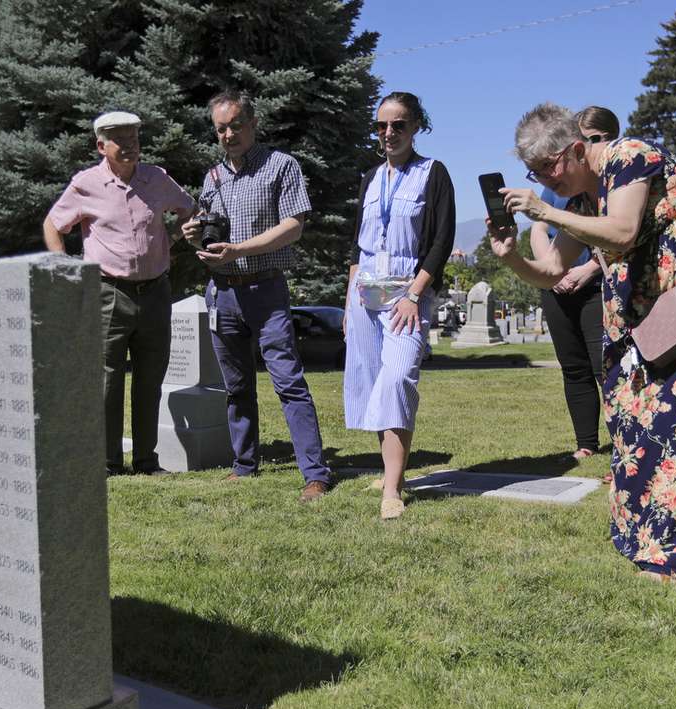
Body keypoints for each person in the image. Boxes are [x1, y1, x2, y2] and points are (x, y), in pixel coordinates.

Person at [489, 103, 676, 582]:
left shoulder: (629, 156)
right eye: (534, 172)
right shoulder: (578, 201)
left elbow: (625, 231)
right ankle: (650, 537)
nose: (546, 179)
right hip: (644, 316)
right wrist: (511, 258)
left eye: (549, 167)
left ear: (575, 149)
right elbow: (552, 272)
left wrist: (545, 209)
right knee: (634, 421)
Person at [181, 90, 332, 502]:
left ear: (253, 124)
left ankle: (315, 475)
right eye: (221, 128)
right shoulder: (212, 177)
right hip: (222, 293)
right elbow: (209, 226)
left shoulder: (281, 166)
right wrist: (195, 232)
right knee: (236, 387)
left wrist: (240, 250)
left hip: (265, 289)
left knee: (288, 382)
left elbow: (293, 226)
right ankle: (244, 465)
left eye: (235, 125)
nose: (228, 134)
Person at [44, 111, 195, 475]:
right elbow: (53, 225)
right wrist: (65, 269)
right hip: (108, 293)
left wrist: (174, 235)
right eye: (119, 140)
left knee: (150, 377)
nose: (129, 146)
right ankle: (108, 462)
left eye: (134, 139)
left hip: (156, 291)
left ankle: (146, 460)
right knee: (107, 380)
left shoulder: (157, 179)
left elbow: (189, 209)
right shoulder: (86, 184)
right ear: (101, 146)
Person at [342, 91, 454, 520]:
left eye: (399, 125)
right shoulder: (371, 177)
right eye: (381, 126)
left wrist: (414, 294)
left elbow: (442, 240)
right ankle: (395, 473)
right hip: (367, 290)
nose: (389, 133)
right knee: (373, 378)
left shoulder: (433, 173)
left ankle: (392, 491)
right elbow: (357, 244)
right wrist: (349, 304)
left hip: (409, 289)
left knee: (398, 376)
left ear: (416, 127)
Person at [529, 106, 620, 460]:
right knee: (573, 366)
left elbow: (619, 233)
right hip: (559, 284)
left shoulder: (614, 179)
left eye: (595, 139)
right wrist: (553, 270)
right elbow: (539, 227)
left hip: (594, 284)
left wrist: (588, 270)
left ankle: (623, 443)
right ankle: (585, 442)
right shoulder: (561, 184)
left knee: (604, 367)